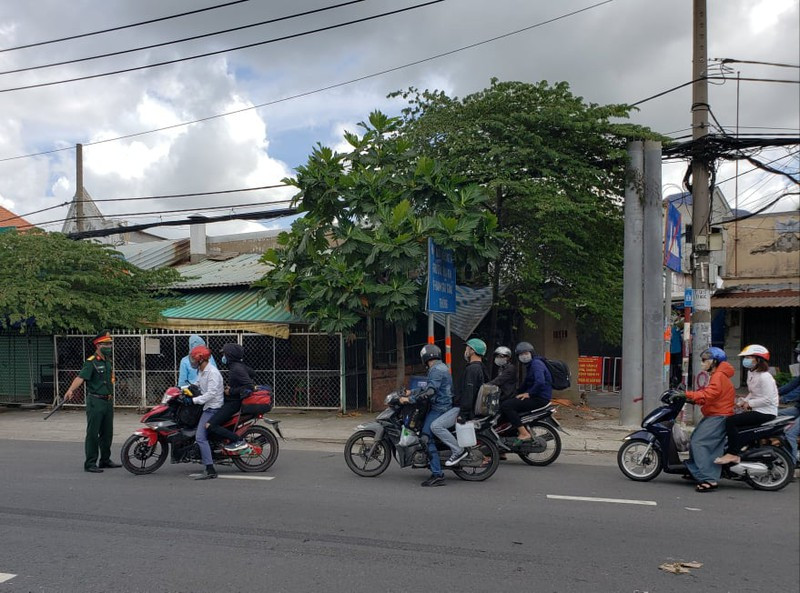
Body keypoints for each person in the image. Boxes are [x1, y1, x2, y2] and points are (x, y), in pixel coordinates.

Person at [64, 331, 121, 473]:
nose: (109, 346)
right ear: (98, 345)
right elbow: (80, 378)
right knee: (93, 433)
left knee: (107, 433)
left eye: (110, 344)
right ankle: (90, 463)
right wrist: (70, 390)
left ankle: (105, 460)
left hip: (108, 401)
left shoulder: (107, 361)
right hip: (95, 401)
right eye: (106, 344)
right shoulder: (91, 362)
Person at [399, 344, 453, 487]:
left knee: (425, 438)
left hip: (439, 408)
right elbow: (429, 387)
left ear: (425, 356)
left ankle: (438, 474)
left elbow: (430, 392)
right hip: (442, 405)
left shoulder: (435, 370)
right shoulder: (440, 367)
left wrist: (409, 399)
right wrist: (412, 391)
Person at [715, 344, 778, 466]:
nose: (746, 360)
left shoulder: (765, 377)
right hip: (757, 409)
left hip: (766, 412)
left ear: (758, 360)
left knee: (731, 421)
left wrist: (749, 403)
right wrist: (742, 401)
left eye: (749, 357)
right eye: (746, 357)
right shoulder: (752, 373)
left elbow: (768, 399)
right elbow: (753, 392)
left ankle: (732, 453)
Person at [683, 347, 735, 492]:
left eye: (705, 360)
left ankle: (709, 479)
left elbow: (710, 394)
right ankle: (697, 471)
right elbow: (711, 396)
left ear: (714, 361)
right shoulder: (718, 375)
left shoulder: (718, 376)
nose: (702, 363)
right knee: (695, 439)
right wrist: (694, 399)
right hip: (715, 413)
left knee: (699, 442)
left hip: (718, 416)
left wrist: (688, 395)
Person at [432, 338, 488, 468]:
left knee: (436, 426)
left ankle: (458, 450)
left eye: (467, 348)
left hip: (464, 408)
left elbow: (468, 394)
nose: (465, 351)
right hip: (469, 407)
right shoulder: (481, 367)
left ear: (472, 351)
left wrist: (462, 414)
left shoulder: (472, 369)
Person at [183, 345, 224, 480]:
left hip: (213, 408)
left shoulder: (212, 373)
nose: (192, 362)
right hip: (206, 406)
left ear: (201, 359)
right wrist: (181, 390)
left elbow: (211, 394)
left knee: (200, 437)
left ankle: (210, 469)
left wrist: (194, 400)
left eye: (194, 360)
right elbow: (197, 384)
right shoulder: (202, 371)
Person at [499, 342, 552, 445]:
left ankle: (524, 433)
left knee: (507, 406)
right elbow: (525, 384)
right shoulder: (531, 365)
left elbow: (540, 382)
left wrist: (529, 394)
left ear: (531, 353)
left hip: (539, 398)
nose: (523, 356)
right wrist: (515, 393)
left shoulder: (536, 364)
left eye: (525, 353)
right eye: (520, 354)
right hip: (537, 396)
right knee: (507, 404)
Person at [207, 343, 253, 453]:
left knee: (210, 425)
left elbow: (249, 386)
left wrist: (231, 391)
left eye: (224, 354)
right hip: (231, 400)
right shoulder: (238, 366)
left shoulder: (236, 368)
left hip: (233, 403)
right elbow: (252, 373)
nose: (223, 357)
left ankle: (238, 441)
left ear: (230, 355)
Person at [669, 318, 684, 388]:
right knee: (677, 366)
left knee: (671, 366)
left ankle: (671, 379)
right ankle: (678, 380)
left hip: (670, 351)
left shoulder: (669, 330)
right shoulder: (677, 329)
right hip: (677, 351)